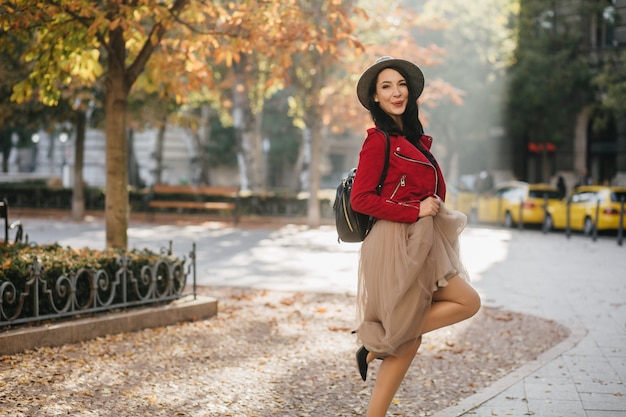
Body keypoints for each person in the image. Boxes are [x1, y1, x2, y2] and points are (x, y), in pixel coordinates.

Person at [350, 56, 481, 417]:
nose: (396, 92)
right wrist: (414, 210)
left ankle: (377, 347)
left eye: (401, 84)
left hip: (423, 243)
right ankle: (379, 345)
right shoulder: (378, 141)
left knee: (414, 334)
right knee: (462, 305)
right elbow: (361, 199)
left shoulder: (413, 139)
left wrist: (429, 204)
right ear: (375, 98)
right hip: (395, 243)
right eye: (386, 87)